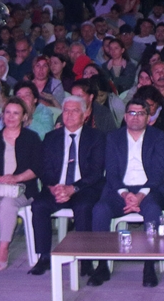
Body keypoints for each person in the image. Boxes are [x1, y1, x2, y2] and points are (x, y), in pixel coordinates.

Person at [90, 91, 164, 287]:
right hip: (120, 190)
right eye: (131, 113)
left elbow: (159, 172)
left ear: (148, 117)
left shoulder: (158, 136)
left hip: (149, 189)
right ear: (125, 116)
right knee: (100, 210)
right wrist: (126, 194)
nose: (135, 117)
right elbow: (112, 172)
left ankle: (149, 266)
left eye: (141, 113)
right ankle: (102, 265)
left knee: (152, 211)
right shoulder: (113, 137)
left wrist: (140, 196)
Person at [27, 95, 106, 276]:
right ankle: (44, 256)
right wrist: (54, 187)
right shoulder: (51, 137)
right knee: (39, 205)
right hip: (57, 187)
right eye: (66, 110)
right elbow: (44, 168)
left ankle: (85, 260)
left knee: (84, 207)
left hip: (84, 188)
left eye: (75, 110)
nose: (69, 115)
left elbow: (96, 172)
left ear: (85, 114)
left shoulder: (96, 137)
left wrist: (72, 189)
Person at [0, 98, 42, 273]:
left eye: (16, 113)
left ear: (24, 117)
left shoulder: (31, 138)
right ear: (2, 115)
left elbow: (37, 167)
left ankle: (4, 248)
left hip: (22, 189)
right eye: (8, 113)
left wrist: (16, 177)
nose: (11, 117)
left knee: (8, 203)